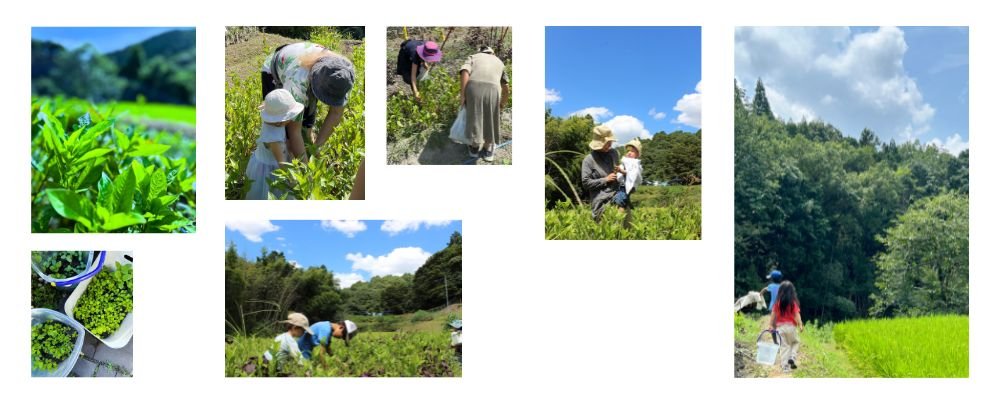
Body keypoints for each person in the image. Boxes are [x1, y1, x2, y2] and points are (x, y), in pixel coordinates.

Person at [261, 42, 355, 161]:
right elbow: (294, 131)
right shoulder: (298, 80)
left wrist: (316, 148)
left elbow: (336, 113)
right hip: (275, 70)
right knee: (283, 131)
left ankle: (307, 145)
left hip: (304, 68)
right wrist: (306, 169)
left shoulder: (343, 74)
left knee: (307, 125)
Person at [245, 89, 303, 200]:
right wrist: (294, 182)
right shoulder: (274, 138)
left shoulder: (271, 121)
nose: (291, 119)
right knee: (270, 194)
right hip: (268, 170)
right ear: (280, 121)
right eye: (290, 116)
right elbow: (281, 163)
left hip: (263, 160)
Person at [459, 46, 510, 161]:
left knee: (474, 116)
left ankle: (474, 148)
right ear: (492, 53)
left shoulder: (473, 57)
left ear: (481, 52)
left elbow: (465, 71)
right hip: (493, 89)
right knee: (491, 118)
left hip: (473, 87)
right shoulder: (499, 62)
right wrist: (502, 103)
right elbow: (506, 87)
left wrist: (463, 95)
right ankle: (488, 150)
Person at [581, 126, 620, 221]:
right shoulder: (588, 160)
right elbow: (586, 183)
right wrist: (605, 179)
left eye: (610, 142)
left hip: (618, 198)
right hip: (601, 203)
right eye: (607, 143)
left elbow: (618, 171)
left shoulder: (614, 153)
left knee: (623, 228)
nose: (610, 145)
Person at [770, 281, 803, 372]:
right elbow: (797, 315)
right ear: (792, 292)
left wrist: (770, 325)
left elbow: (773, 315)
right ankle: (792, 356)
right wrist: (800, 324)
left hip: (780, 329)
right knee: (795, 342)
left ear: (780, 291)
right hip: (791, 327)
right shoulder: (793, 303)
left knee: (784, 347)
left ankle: (785, 367)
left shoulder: (777, 303)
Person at [612, 139, 643, 209]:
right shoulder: (626, 161)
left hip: (625, 186)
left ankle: (619, 213)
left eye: (632, 151)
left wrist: (621, 171)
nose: (629, 153)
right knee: (625, 201)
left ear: (637, 154)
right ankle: (628, 210)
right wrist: (617, 171)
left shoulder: (635, 163)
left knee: (620, 201)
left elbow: (632, 174)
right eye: (628, 151)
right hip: (621, 186)